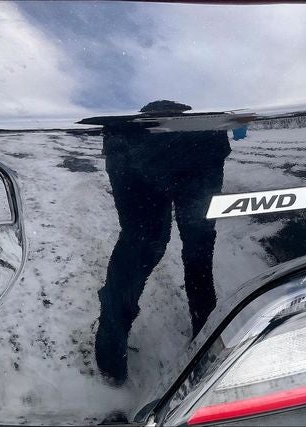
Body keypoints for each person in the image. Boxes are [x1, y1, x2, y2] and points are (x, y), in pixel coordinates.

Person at [86, 100, 231, 385]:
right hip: (200, 135)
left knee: (138, 245)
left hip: (132, 135)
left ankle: (111, 360)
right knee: (198, 247)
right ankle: (209, 343)